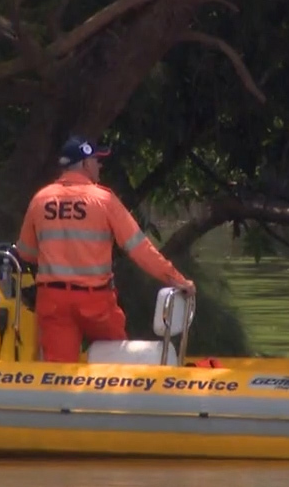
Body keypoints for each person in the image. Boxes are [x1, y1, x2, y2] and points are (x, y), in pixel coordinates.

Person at [14, 135, 195, 363]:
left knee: (58, 376)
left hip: (53, 301)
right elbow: (141, 250)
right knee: (116, 367)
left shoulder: (40, 200)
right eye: (97, 160)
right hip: (95, 302)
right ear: (85, 164)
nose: (99, 165)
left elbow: (26, 253)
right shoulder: (104, 200)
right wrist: (177, 280)